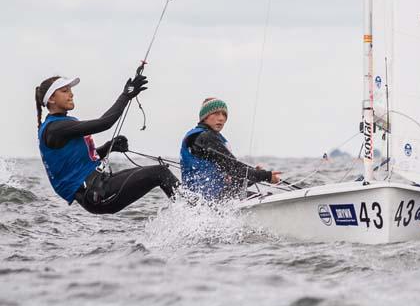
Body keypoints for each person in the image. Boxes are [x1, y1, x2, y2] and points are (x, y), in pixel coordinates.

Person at [35, 75, 180, 214]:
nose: (71, 94)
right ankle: (194, 213)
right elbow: (105, 123)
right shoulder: (55, 128)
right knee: (160, 173)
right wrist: (126, 95)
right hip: (96, 193)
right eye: (65, 91)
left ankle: (193, 212)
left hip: (98, 187)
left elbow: (82, 159)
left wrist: (110, 147)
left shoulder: (60, 124)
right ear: (52, 99)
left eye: (70, 90)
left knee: (160, 172)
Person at [180, 97, 281, 200]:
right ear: (204, 117)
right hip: (211, 199)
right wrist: (266, 176)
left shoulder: (208, 137)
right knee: (268, 197)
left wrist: (255, 176)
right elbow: (233, 167)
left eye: (224, 114)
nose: (221, 118)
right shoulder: (205, 137)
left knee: (264, 195)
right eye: (216, 113)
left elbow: (233, 178)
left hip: (208, 199)